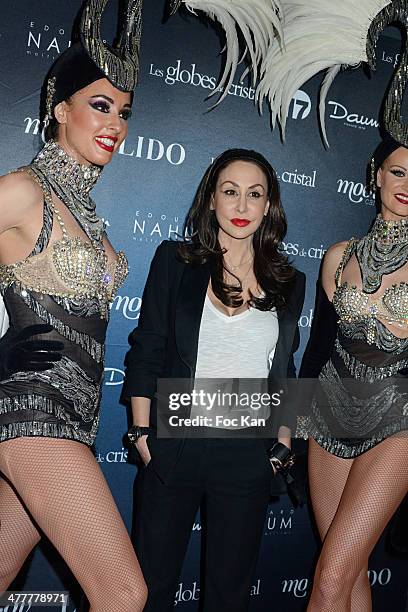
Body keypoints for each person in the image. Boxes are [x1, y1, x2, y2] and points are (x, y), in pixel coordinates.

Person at [0, 1, 147, 609]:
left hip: (73, 425)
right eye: (100, 105)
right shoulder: (22, 190)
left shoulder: (92, 218)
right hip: (32, 416)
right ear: (60, 110)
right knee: (123, 592)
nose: (115, 122)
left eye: (125, 112)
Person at [123, 148, 305, 611]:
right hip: (174, 441)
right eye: (230, 192)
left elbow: (284, 369)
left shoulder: (289, 281)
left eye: (254, 195)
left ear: (269, 206)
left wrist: (282, 445)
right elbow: (148, 346)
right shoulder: (175, 261)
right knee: (150, 589)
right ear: (210, 200)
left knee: (229, 595)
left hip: (247, 452)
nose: (242, 207)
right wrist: (143, 433)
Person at [298, 135, 408, 611]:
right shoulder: (338, 257)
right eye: (399, 171)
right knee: (349, 570)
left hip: (398, 420)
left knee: (330, 577)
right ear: (376, 174)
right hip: (328, 416)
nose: (407, 184)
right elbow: (318, 348)